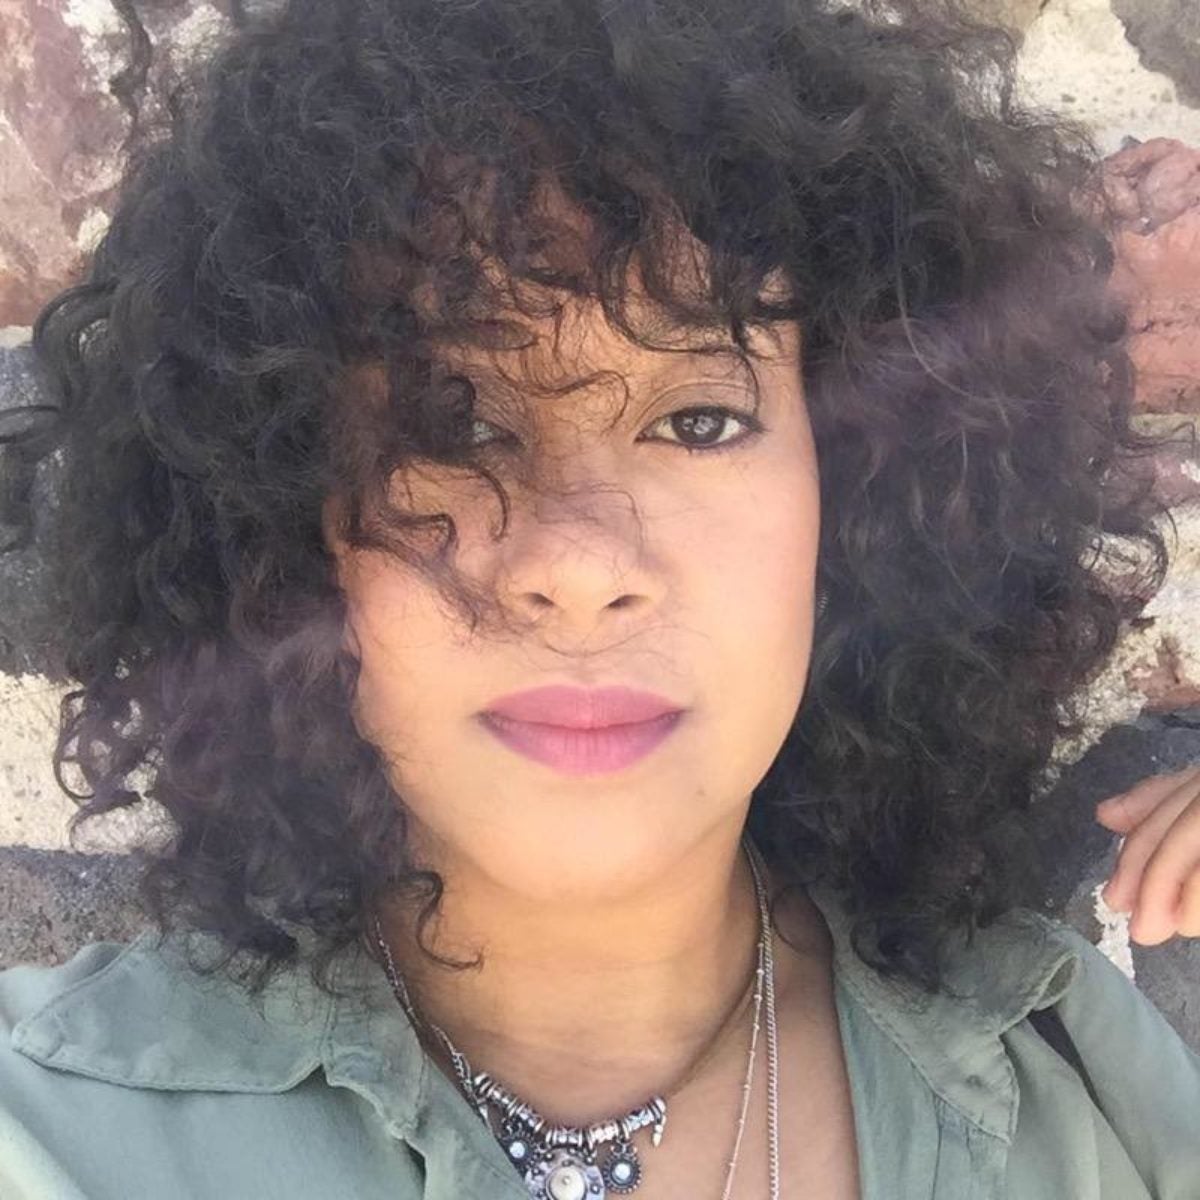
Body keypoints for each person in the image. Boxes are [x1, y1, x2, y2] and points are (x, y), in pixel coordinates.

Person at [0, 0, 1198, 1197]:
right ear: (279, 516)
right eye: (453, 422)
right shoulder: (51, 1138)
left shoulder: (1089, 1104)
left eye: (700, 420)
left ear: (862, 505)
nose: (580, 568)